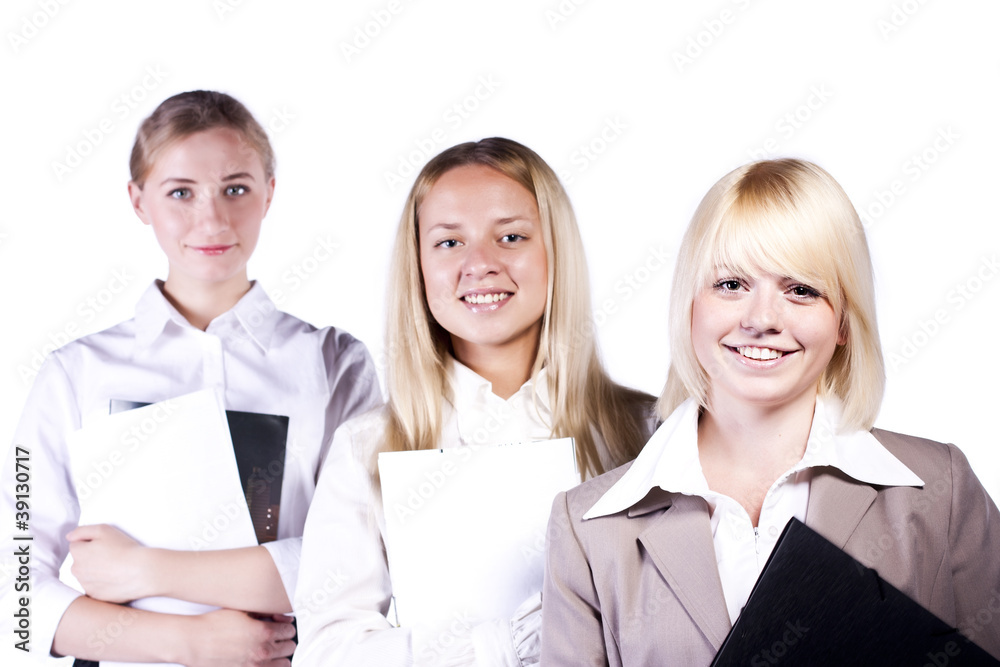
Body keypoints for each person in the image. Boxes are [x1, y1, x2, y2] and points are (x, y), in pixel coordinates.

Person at [540, 158, 1000, 665]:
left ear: (844, 321)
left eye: (801, 290)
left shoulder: (941, 491)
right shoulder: (587, 529)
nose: (761, 319)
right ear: (689, 305)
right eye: (731, 284)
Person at [0, 90, 381, 666]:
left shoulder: (333, 363)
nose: (212, 219)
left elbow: (361, 560)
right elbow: (14, 591)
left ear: (269, 192)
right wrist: (191, 642)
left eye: (235, 189)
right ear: (138, 200)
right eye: (181, 192)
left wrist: (144, 569)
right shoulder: (75, 374)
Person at [293, 137, 657, 666]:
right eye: (448, 242)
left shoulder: (650, 430)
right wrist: (507, 646)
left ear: (556, 251)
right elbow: (327, 652)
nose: (480, 264)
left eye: (511, 237)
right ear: (418, 265)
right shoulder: (366, 446)